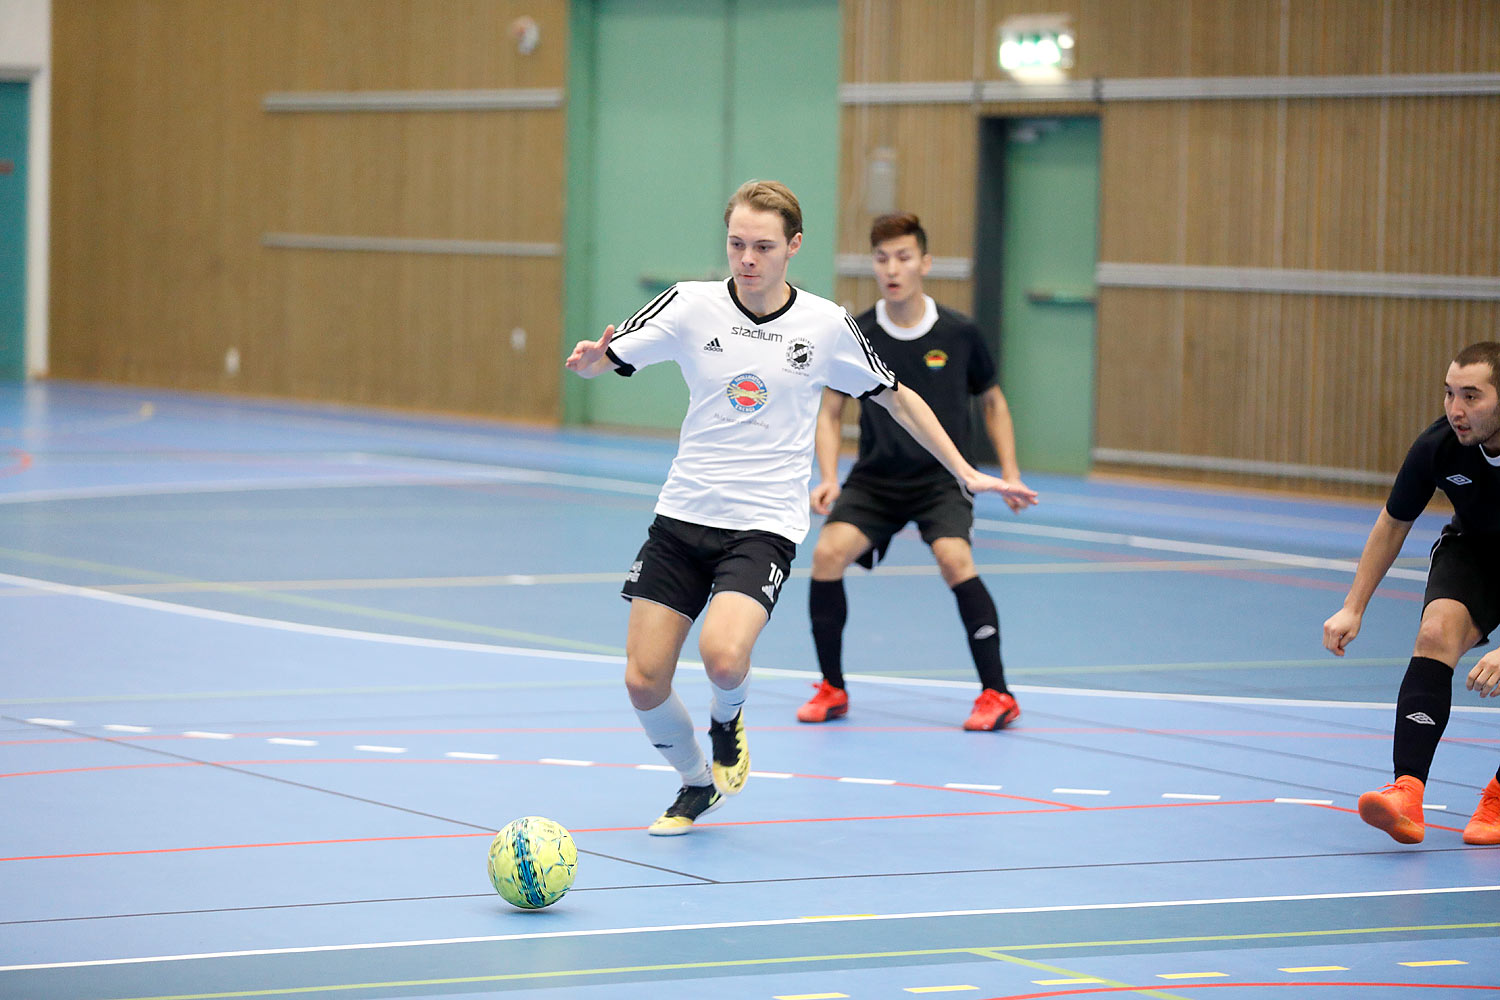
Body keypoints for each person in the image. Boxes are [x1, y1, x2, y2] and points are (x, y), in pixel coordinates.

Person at [565, 181, 1038, 835]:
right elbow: (610, 357)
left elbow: (896, 398)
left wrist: (963, 470)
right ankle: (695, 784)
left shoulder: (825, 324)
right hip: (681, 516)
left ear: (793, 246)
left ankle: (727, 719)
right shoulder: (689, 305)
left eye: (762, 246)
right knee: (644, 680)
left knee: (724, 656)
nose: (747, 259)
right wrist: (591, 362)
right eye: (736, 244)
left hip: (761, 525)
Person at [797, 213, 1032, 731]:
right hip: (877, 479)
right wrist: (829, 475)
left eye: (903, 257)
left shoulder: (960, 332)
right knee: (828, 554)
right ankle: (832, 687)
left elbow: (992, 401)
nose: (892, 268)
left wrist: (1009, 473)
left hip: (939, 482)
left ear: (925, 263)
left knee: (954, 558)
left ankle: (997, 693)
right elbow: (831, 411)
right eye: (882, 258)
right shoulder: (856, 331)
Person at [1323, 341, 1500, 846]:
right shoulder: (1439, 446)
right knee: (1435, 632)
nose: (1456, 409)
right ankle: (1407, 791)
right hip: (1478, 552)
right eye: (1449, 394)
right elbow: (1393, 523)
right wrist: (1353, 606)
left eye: (1472, 395)